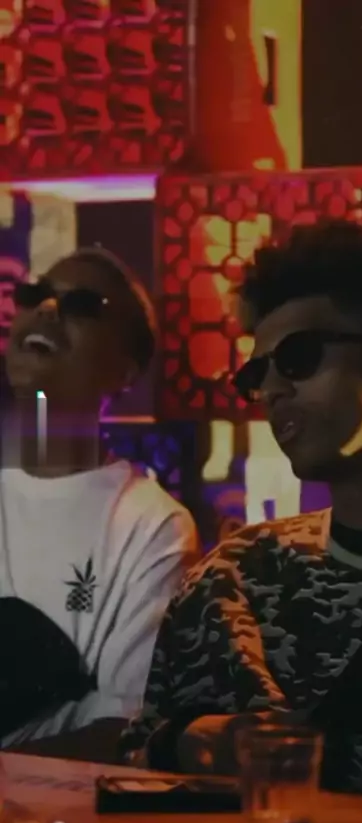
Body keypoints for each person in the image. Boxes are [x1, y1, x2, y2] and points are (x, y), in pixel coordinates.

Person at [120, 221, 362, 804]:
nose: (271, 390)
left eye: (298, 358)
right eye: (256, 374)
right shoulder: (231, 583)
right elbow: (133, 764)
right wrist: (192, 742)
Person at [0, 247, 198, 760]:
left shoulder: (153, 525)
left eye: (82, 305)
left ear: (125, 372)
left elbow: (124, 727)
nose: (47, 310)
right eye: (35, 295)